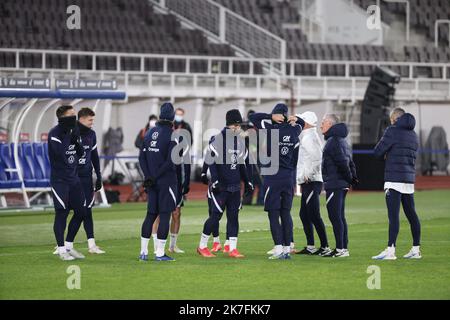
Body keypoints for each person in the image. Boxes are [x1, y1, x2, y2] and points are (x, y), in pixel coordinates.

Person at [249, 103, 305, 260]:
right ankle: (288, 248)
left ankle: (279, 249)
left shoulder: (269, 129)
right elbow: (301, 124)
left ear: (276, 115)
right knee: (286, 213)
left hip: (272, 176)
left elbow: (252, 117)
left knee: (273, 214)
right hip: (288, 177)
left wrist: (269, 117)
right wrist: (297, 118)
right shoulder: (295, 130)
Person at [197, 109, 254, 258]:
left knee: (234, 217)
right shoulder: (217, 139)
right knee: (215, 216)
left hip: (235, 186)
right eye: (238, 125)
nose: (240, 128)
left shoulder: (240, 142)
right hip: (221, 186)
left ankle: (232, 248)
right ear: (232, 125)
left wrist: (248, 182)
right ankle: (202, 246)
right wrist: (214, 180)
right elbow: (211, 161)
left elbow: (242, 165)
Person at [372, 108, 422, 260]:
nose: (391, 121)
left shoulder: (392, 131)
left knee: (393, 216)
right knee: (411, 214)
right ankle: (416, 249)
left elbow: (377, 152)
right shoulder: (414, 135)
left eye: (392, 118)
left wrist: (387, 155)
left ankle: (391, 250)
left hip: (393, 180)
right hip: (408, 180)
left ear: (395, 118)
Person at [138, 103, 179, 262]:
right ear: (173, 117)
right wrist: (155, 177)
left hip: (151, 182)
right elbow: (170, 162)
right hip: (166, 181)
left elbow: (141, 158)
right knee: (164, 216)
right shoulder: (173, 135)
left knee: (150, 215)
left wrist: (148, 177)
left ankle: (143, 252)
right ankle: (160, 253)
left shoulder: (149, 133)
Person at [48, 105, 87, 261]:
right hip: (60, 180)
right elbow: (59, 156)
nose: (74, 117)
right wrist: (68, 139)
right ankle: (61, 249)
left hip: (74, 179)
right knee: (62, 213)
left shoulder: (75, 130)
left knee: (81, 212)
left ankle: (69, 246)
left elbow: (81, 153)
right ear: (62, 117)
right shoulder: (54, 134)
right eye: (71, 114)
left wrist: (76, 142)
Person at [320, 114, 358, 258]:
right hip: (340, 183)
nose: (321, 125)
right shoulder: (342, 140)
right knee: (340, 216)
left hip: (335, 183)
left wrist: (350, 178)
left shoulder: (333, 141)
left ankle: (341, 249)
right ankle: (343, 248)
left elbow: (343, 163)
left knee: (335, 216)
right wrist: (352, 179)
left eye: (323, 122)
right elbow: (350, 162)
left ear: (330, 124)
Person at [295, 111, 331, 256]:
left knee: (313, 214)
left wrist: (308, 174)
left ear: (307, 122)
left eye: (301, 120)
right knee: (304, 214)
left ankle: (325, 246)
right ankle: (311, 246)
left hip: (311, 181)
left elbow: (317, 158)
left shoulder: (309, 137)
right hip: (308, 180)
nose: (299, 122)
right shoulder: (308, 136)